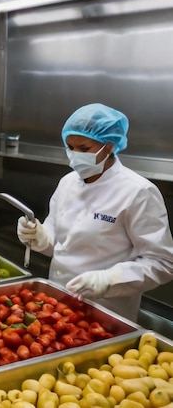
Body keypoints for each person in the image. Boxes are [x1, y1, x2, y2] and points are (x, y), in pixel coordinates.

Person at [16, 103, 173, 321]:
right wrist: (40, 237)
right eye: (70, 147)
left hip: (106, 311)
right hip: (56, 303)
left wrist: (109, 279)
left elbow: (162, 262)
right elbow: (61, 242)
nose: (74, 156)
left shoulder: (138, 192)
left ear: (108, 147)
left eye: (83, 149)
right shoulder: (67, 183)